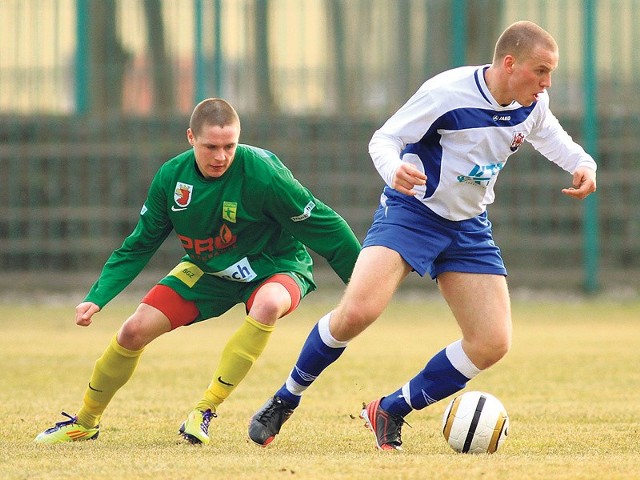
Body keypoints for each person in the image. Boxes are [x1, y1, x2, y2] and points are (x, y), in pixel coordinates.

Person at [247, 20, 597, 450]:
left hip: (468, 225)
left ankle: (390, 409)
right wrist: (395, 170)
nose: (547, 83)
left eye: (551, 73)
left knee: (491, 343)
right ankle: (286, 398)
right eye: (541, 71)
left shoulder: (533, 104)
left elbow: (551, 136)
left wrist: (583, 164)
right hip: (413, 213)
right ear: (510, 63)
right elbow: (385, 138)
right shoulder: (447, 93)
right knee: (358, 312)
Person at [34, 98, 361, 445]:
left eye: (229, 146)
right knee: (133, 331)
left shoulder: (264, 174)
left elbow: (326, 225)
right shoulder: (171, 178)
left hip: (277, 265)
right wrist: (98, 296)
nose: (221, 156)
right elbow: (140, 243)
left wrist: (363, 286)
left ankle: (204, 411)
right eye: (211, 147)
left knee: (267, 305)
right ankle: (85, 422)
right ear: (191, 138)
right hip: (208, 271)